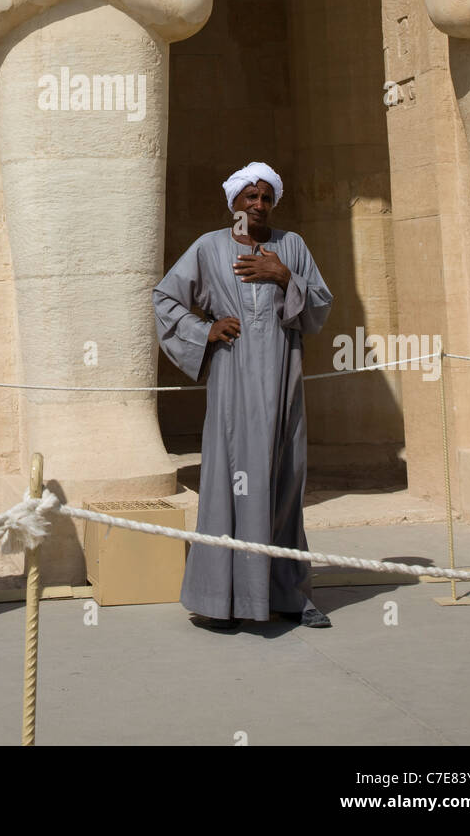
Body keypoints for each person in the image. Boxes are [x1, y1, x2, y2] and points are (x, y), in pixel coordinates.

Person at [153, 162, 333, 630]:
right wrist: (205, 329)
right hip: (233, 380)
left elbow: (318, 309)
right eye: (249, 196)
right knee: (229, 484)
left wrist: (283, 277)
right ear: (233, 201)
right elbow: (165, 300)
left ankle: (290, 596)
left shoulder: (291, 246)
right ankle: (220, 599)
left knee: (284, 482)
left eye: (266, 197)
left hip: (283, 380)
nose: (258, 204)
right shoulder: (208, 247)